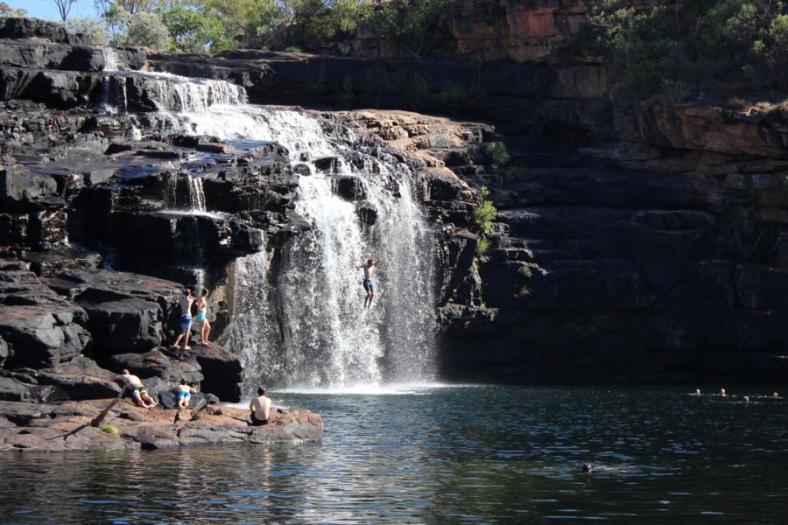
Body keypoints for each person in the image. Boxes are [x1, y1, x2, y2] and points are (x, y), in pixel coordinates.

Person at [172, 288, 194, 352]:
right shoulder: (190, 300)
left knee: (183, 332)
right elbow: (191, 298)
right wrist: (189, 295)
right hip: (188, 317)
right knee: (187, 332)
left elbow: (177, 302)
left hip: (183, 316)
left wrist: (177, 300)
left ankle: (175, 343)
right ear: (189, 294)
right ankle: (185, 346)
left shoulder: (181, 300)